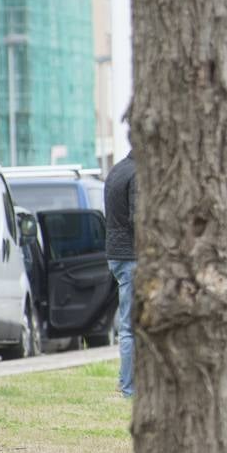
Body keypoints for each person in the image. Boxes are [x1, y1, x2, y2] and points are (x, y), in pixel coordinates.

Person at [104, 152, 137, 398]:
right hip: (134, 256)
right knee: (132, 327)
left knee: (130, 325)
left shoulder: (117, 170)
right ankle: (129, 388)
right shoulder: (139, 174)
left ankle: (126, 381)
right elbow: (139, 219)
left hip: (116, 254)